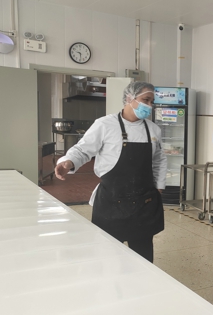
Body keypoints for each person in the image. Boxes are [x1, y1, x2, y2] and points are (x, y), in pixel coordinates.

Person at [55, 82, 166, 263]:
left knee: (143, 255)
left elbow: (159, 159)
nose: (149, 106)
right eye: (146, 100)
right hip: (111, 201)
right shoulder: (105, 124)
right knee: (107, 255)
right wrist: (68, 162)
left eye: (152, 102)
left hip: (143, 203)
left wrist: (159, 186)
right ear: (129, 98)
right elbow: (83, 150)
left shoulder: (153, 130)